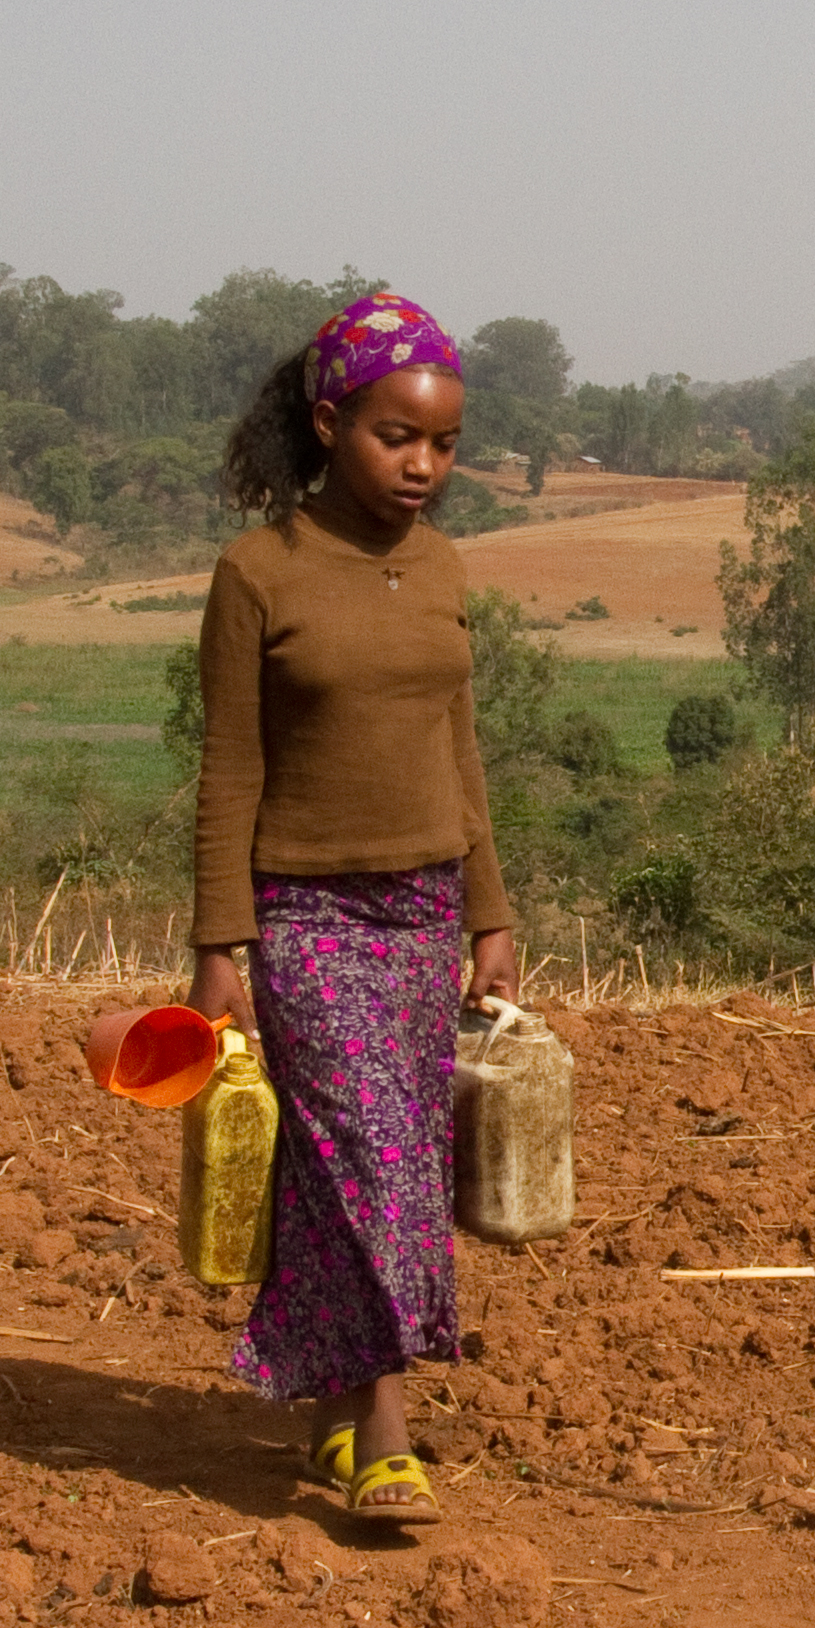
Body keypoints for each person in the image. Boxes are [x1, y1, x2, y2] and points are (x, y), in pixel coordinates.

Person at [183, 291, 521, 1521]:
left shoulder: (441, 569)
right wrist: (221, 941)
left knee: (369, 1170)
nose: (424, 466)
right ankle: (387, 1433)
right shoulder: (259, 575)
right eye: (398, 438)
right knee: (373, 1158)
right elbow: (230, 765)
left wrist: (491, 911)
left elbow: (460, 749)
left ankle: (329, 1410)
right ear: (331, 424)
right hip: (307, 916)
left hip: (423, 910)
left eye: (443, 445)